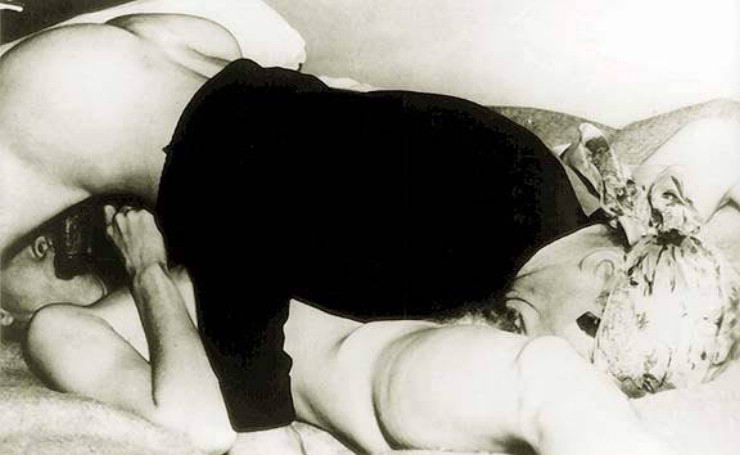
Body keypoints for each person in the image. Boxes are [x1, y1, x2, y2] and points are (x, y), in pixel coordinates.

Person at [1, 12, 739, 455]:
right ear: (606, 273)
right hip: (80, 106)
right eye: (583, 338)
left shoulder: (541, 197)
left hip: (162, 72)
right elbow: (247, 191)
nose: (533, 338)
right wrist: (262, 417)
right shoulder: (482, 232)